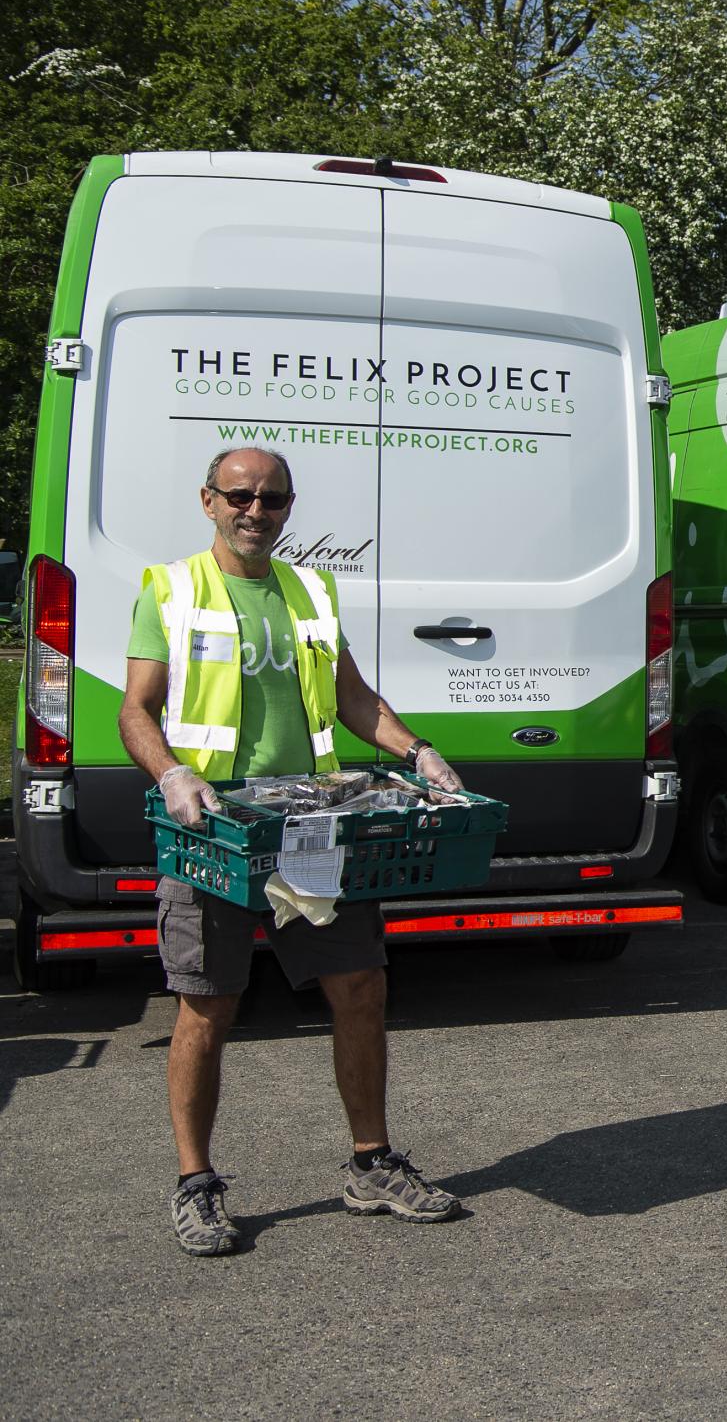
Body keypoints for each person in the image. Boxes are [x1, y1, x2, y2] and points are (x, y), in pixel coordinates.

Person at [124, 448, 471, 1256]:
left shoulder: (311, 589)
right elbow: (135, 709)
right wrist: (171, 771)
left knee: (360, 987)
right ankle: (196, 1184)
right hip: (211, 830)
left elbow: (351, 698)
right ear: (209, 500)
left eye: (273, 498)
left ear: (288, 507)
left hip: (309, 826)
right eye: (240, 495)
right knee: (208, 1006)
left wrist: (417, 750)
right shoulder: (169, 589)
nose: (257, 510)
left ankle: (371, 1164)